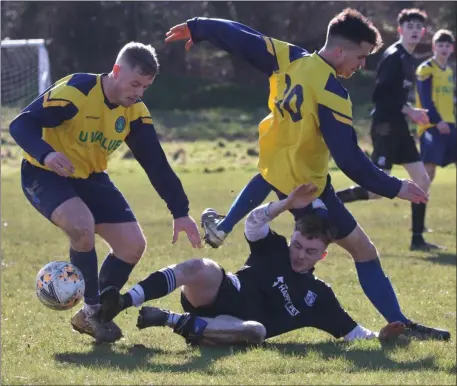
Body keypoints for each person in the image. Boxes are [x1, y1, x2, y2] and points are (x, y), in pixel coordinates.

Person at [163, 9, 450, 339]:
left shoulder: (291, 57)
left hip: (279, 172)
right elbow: (350, 160)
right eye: (361, 56)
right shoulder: (331, 91)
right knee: (363, 252)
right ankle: (398, 326)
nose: (361, 65)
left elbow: (244, 39)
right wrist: (394, 185)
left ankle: (225, 230)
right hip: (308, 192)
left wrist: (199, 27)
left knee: (274, 187)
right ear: (340, 50)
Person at [9, 42, 202, 344]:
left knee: (133, 246)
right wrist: (47, 155)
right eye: (135, 83)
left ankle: (89, 317)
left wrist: (180, 212)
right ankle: (93, 307)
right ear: (116, 71)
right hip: (44, 173)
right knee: (81, 226)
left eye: (146, 86)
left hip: (91, 177)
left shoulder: (135, 111)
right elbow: (20, 125)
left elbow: (157, 164)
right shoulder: (77, 91)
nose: (139, 92)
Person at [99, 183, 416, 346]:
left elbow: (355, 335)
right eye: (298, 245)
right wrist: (287, 204)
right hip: (220, 294)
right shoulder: (274, 248)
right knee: (202, 266)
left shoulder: (320, 297)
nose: (299, 254)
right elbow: (254, 223)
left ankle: (168, 319)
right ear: (292, 238)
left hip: (231, 333)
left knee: (255, 331)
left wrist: (383, 337)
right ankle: (124, 301)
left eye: (309, 251)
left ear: (323, 255)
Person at [336, 9, 442, 251]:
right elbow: (380, 97)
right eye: (410, 26)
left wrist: (409, 111)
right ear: (400, 30)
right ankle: (330, 200)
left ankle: (417, 239)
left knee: (422, 180)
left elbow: (396, 96)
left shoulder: (409, 58)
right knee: (375, 191)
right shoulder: (393, 56)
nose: (415, 30)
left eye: (419, 26)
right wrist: (410, 111)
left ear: (423, 31)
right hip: (385, 127)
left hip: (401, 128)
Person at [416, 30, 456, 192]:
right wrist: (437, 121)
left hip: (450, 124)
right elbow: (425, 99)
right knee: (428, 171)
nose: (444, 48)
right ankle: (418, 206)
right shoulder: (426, 69)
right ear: (434, 47)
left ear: (452, 48)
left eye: (447, 45)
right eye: (440, 45)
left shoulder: (449, 71)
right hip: (431, 126)